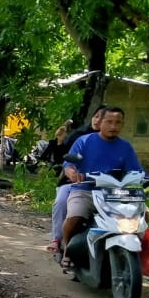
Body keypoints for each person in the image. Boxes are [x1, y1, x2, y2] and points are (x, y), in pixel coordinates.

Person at [59, 107, 147, 266]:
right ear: (100, 123)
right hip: (85, 190)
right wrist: (72, 173)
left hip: (115, 193)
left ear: (122, 125)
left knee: (144, 215)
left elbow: (135, 171)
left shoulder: (125, 147)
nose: (113, 126)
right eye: (109, 122)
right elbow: (69, 164)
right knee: (75, 216)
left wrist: (147, 177)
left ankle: (134, 254)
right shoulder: (84, 141)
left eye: (118, 123)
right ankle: (67, 249)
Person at [48, 106, 104, 255]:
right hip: (75, 183)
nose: (98, 120)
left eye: (103, 118)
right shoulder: (79, 137)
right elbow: (64, 159)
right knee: (61, 201)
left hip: (103, 187)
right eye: (96, 116)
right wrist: (59, 142)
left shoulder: (117, 144)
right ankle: (58, 240)